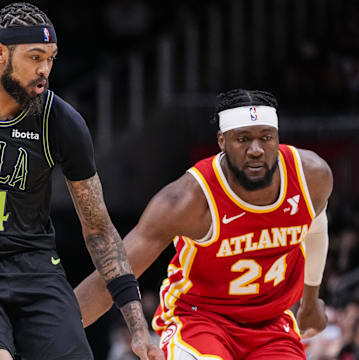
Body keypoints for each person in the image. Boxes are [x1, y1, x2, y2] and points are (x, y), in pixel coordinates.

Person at [75, 88, 333, 359]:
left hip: (271, 324)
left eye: (266, 138)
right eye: (242, 139)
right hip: (200, 320)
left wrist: (311, 300)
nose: (256, 150)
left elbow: (316, 228)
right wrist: (50, 328)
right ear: (222, 140)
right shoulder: (187, 200)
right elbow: (116, 272)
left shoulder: (311, 176)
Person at [0, 3, 163, 360]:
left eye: (52, 58)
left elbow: (99, 230)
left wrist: (137, 326)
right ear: (1, 55)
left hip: (35, 265)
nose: (45, 70)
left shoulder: (61, 121)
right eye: (34, 57)